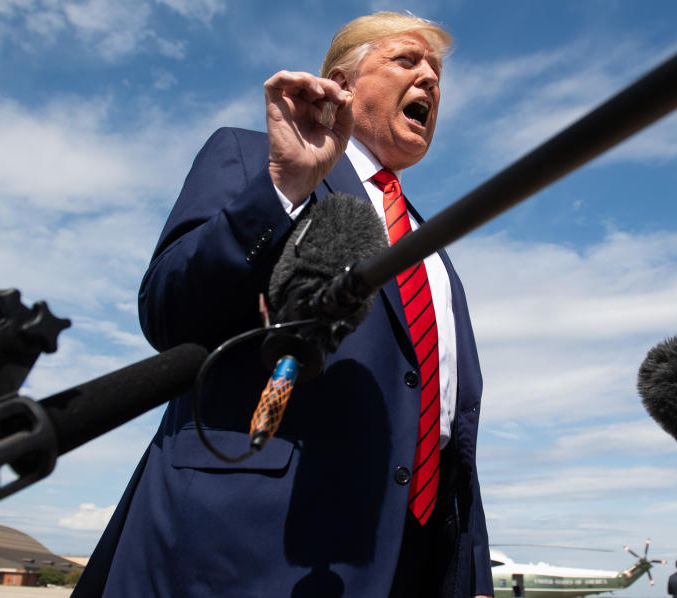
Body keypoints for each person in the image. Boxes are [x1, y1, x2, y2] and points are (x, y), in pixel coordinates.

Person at [71, 11, 493, 598]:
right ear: (342, 84)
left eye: (438, 73)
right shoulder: (256, 160)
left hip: (406, 562)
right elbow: (167, 310)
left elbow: (450, 431)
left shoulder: (431, 249)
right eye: (407, 60)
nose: (430, 80)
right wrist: (284, 186)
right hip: (242, 547)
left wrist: (466, 568)